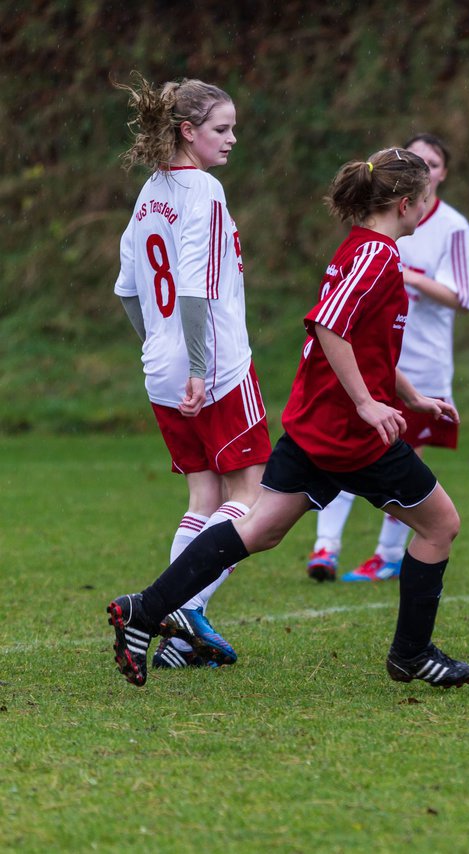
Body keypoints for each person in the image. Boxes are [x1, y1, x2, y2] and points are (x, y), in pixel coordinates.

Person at [107, 147, 469, 690]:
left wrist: (410, 396)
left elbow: (365, 343)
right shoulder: (378, 257)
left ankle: (145, 609)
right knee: (441, 525)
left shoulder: (360, 247)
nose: (427, 210)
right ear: (405, 204)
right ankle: (412, 654)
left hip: (315, 425)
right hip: (350, 435)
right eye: (424, 201)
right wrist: (367, 404)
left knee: (258, 528)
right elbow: (329, 329)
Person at [112, 73, 270, 670]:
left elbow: (128, 288)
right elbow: (197, 284)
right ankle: (173, 608)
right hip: (217, 367)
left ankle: (179, 644)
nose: (232, 140)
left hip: (161, 367)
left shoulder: (150, 190)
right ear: (188, 131)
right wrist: (200, 366)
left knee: (203, 494)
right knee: (250, 497)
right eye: (221, 129)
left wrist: (161, 345)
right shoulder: (203, 189)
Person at [306, 132, 469, 584]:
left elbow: (464, 295)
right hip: (361, 367)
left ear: (442, 172)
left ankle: (386, 552)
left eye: (433, 161)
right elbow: (328, 321)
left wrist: (412, 278)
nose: (426, 167)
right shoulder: (376, 247)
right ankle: (327, 546)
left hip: (415, 361)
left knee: (387, 461)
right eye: (416, 160)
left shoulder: (447, 227)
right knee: (360, 456)